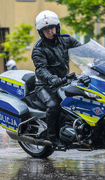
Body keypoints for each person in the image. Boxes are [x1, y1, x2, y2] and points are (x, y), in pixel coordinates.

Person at [31, 10, 82, 148]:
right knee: (53, 105)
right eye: (46, 30)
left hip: (65, 81)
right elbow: (41, 69)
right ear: (41, 32)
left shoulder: (67, 40)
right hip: (45, 85)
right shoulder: (38, 49)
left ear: (57, 27)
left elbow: (83, 51)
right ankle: (53, 138)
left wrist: (101, 60)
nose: (50, 32)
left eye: (52, 28)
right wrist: (52, 79)